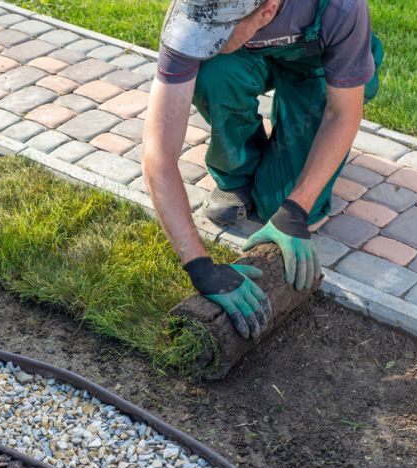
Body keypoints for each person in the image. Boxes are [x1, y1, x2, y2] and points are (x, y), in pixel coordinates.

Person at [142, 0, 383, 339]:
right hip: (247, 55)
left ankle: (288, 153)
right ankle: (238, 173)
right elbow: (158, 154)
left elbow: (343, 113)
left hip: (315, 65)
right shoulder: (193, 13)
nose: (201, 38)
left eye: (216, 32)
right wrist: (199, 266)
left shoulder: (341, 8)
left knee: (281, 205)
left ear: (267, 10)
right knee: (211, 69)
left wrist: (296, 210)